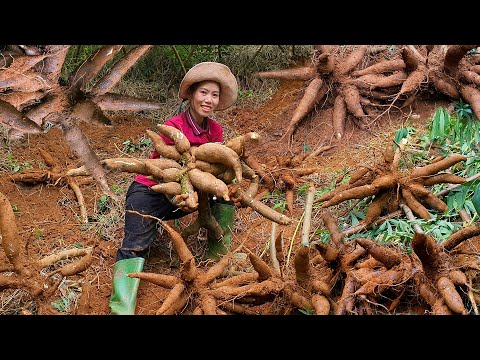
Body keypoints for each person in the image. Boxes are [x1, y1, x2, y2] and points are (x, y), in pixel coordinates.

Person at [109, 62, 238, 315]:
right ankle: (120, 309)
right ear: (191, 94)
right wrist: (188, 183)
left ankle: (217, 257)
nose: (208, 100)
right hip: (150, 193)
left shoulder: (215, 130)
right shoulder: (173, 125)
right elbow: (170, 170)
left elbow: (215, 169)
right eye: (203, 92)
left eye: (214, 94)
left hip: (187, 196)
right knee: (135, 245)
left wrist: (225, 177)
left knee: (225, 192)